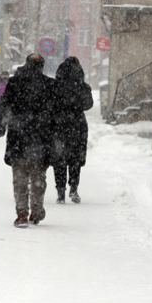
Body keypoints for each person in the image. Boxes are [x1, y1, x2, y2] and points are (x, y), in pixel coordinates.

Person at [0, 53, 55, 228]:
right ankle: (36, 210)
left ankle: (22, 213)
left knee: (19, 177)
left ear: (26, 65)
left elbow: (4, 106)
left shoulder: (14, 83)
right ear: (43, 67)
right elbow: (56, 114)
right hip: (41, 139)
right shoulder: (49, 85)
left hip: (18, 137)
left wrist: (0, 126)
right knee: (38, 176)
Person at [51, 56, 93, 204]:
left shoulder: (54, 86)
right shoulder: (83, 87)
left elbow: (49, 104)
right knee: (75, 158)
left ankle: (60, 192)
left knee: (59, 159)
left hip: (59, 126)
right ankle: (73, 189)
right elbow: (88, 105)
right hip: (77, 125)